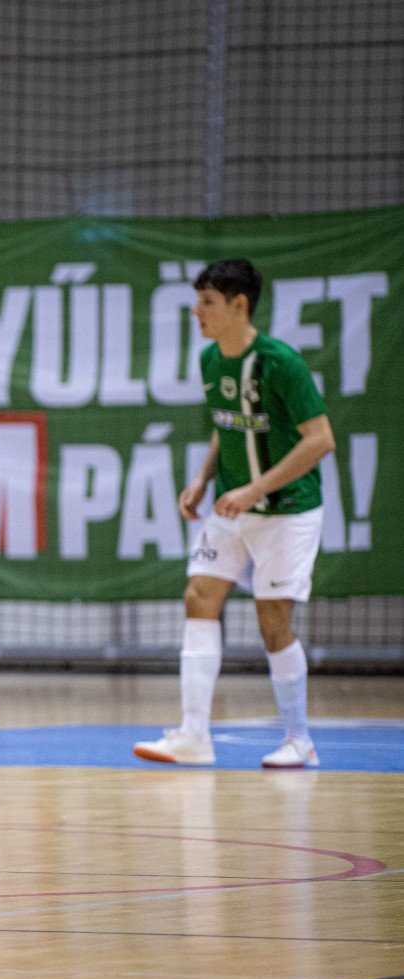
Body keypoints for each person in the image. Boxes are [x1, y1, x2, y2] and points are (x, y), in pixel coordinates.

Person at [134, 259, 334, 768]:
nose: (196, 311)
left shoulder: (280, 363)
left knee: (273, 624)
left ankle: (299, 741)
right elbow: (228, 425)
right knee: (199, 597)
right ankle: (193, 736)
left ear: (239, 305)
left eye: (208, 302)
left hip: (286, 510)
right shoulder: (210, 361)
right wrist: (202, 478)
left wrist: (254, 489)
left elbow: (320, 441)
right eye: (197, 300)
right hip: (229, 506)